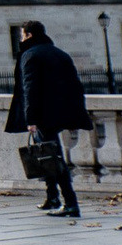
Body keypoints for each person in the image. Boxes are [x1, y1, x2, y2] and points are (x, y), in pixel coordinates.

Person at [8, 19, 91, 218]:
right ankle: (52, 196)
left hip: (43, 114)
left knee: (53, 158)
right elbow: (76, 86)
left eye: (22, 35)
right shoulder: (60, 53)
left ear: (28, 35)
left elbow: (30, 89)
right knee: (47, 155)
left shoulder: (29, 55)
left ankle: (70, 203)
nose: (21, 38)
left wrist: (31, 118)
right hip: (61, 112)